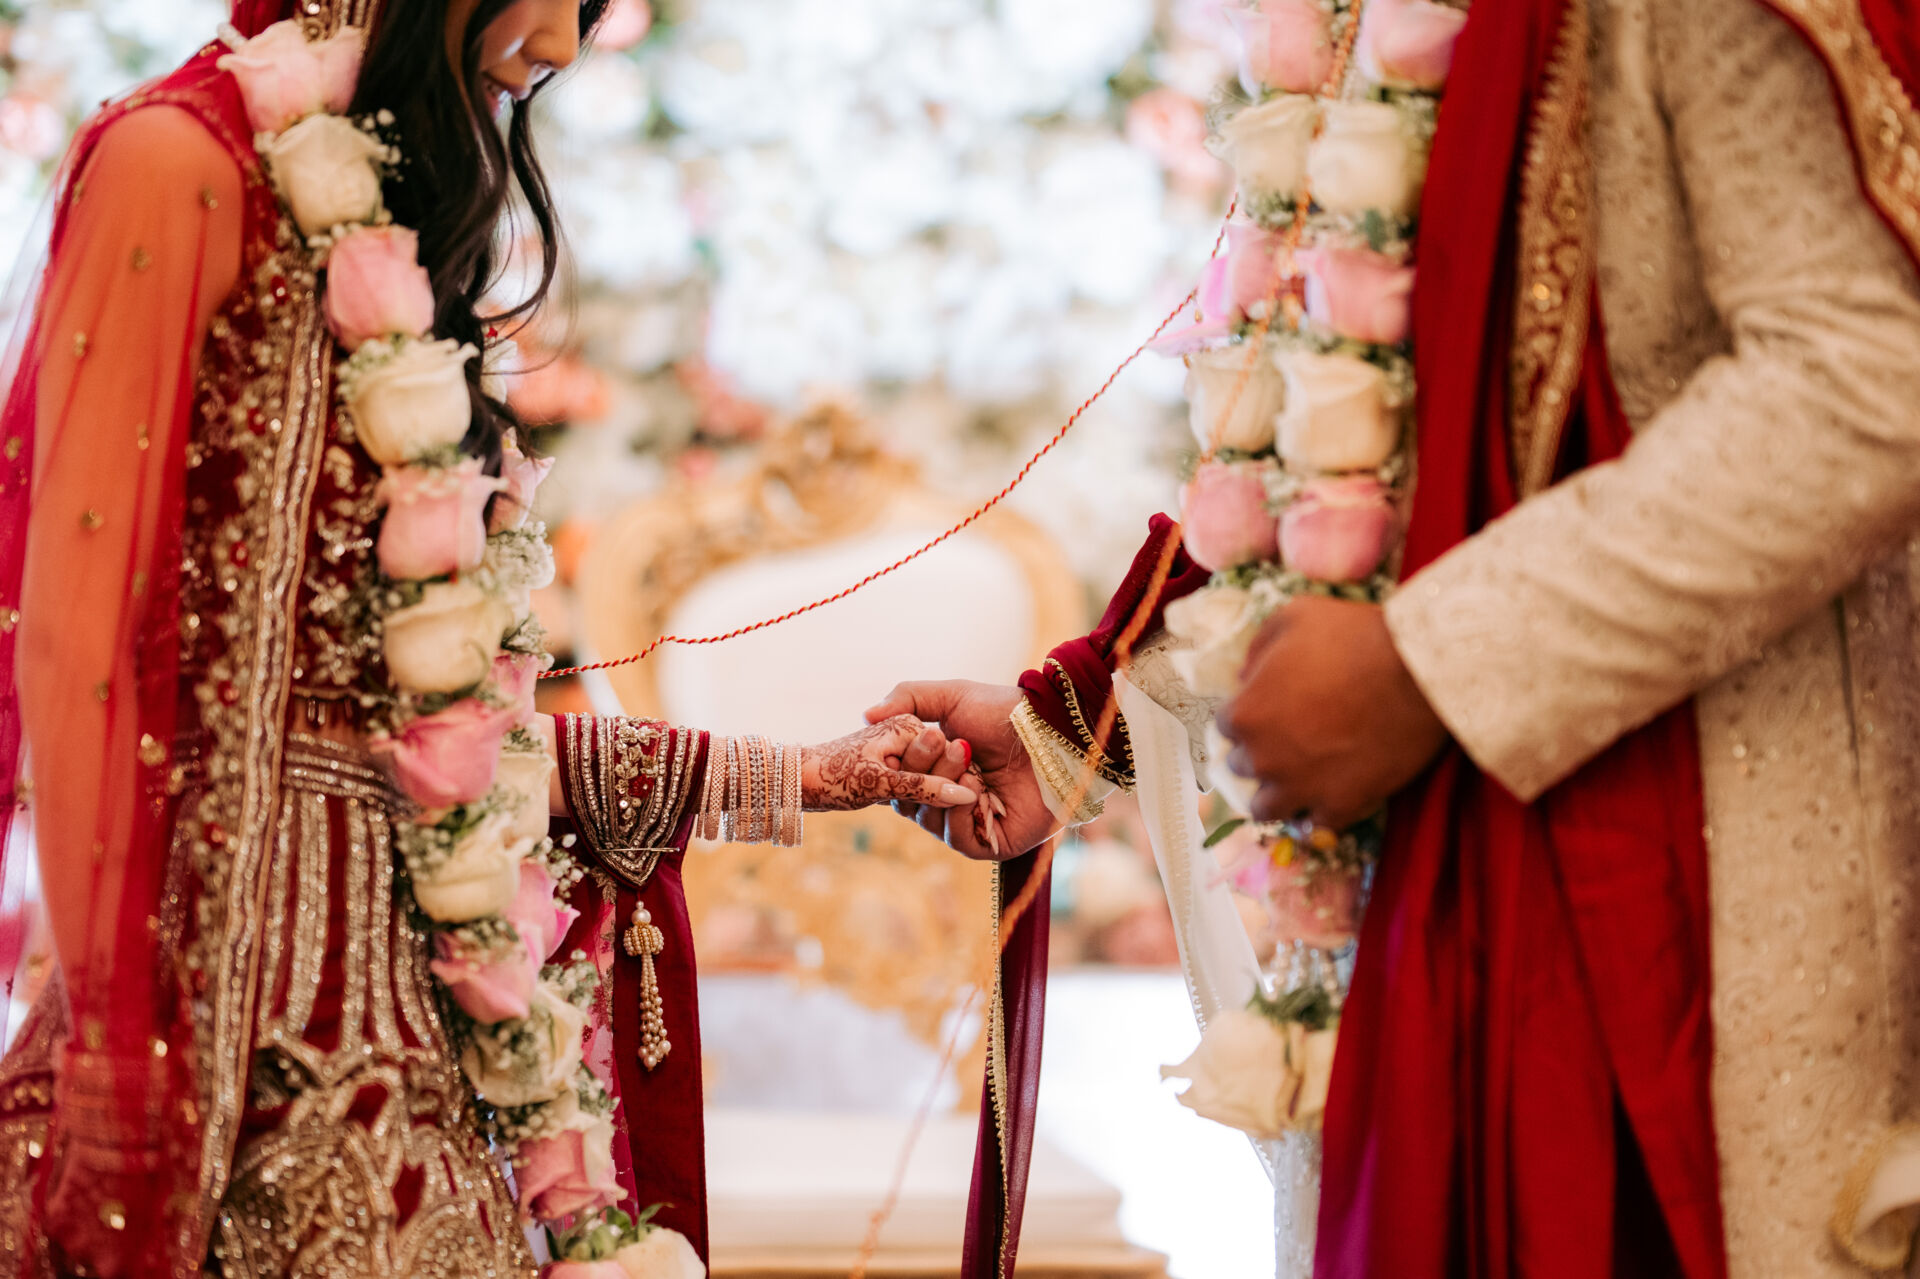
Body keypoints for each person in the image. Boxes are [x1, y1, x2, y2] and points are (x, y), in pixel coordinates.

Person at [876, 1, 1920, 1276]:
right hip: (1439, 891)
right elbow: (1385, 459)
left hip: (1710, 911)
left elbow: (1872, 375)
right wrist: (1076, 729)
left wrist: (1437, 661)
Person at [0, 2, 980, 1275]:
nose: (564, 46)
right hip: (198, 1083)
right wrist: (119, 1081)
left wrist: (810, 775)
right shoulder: (177, 163)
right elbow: (74, 658)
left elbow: (456, 752)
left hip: (430, 1120)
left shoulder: (395, 253)